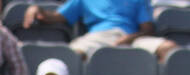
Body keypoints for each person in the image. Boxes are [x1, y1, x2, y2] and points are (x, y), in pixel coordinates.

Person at [25, 0, 176, 62]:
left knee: (169, 49)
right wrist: (37, 9)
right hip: (98, 37)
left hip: (132, 39)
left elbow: (148, 29)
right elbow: (57, 16)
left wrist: (129, 39)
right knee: (72, 56)